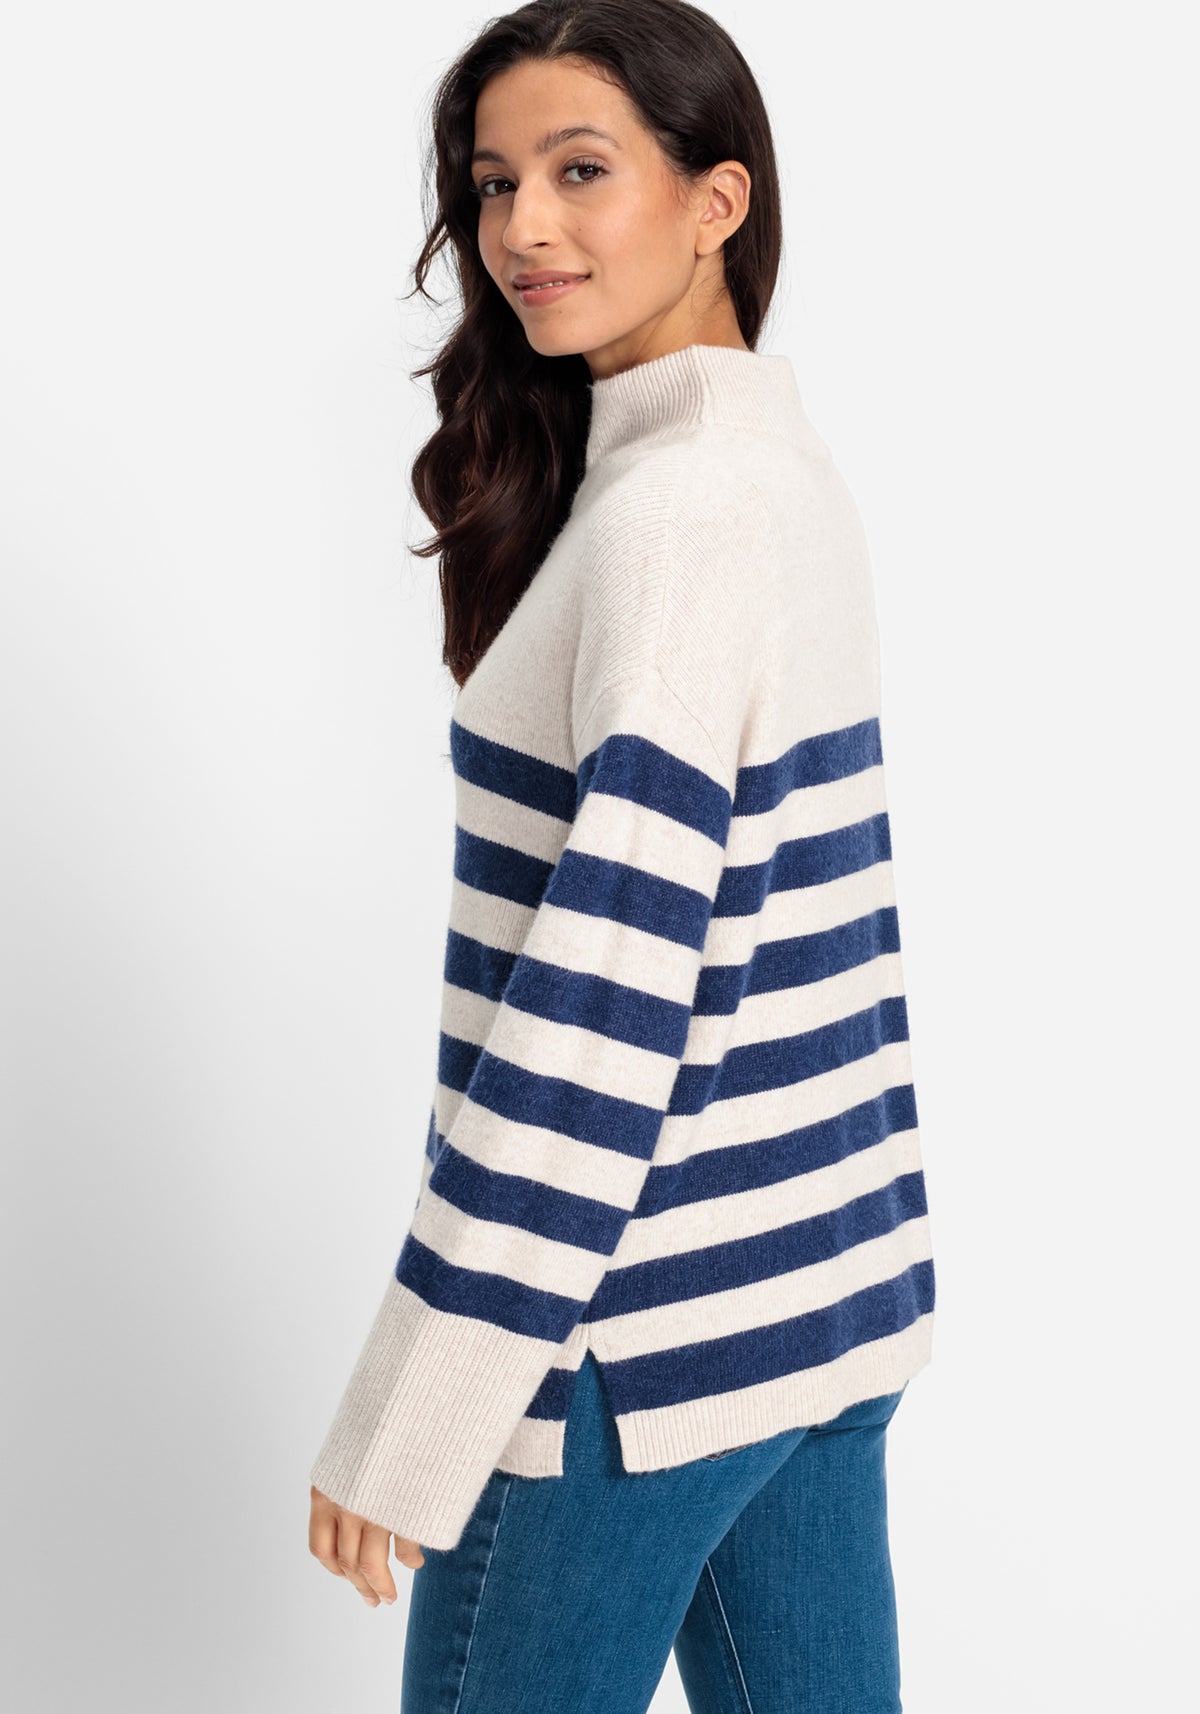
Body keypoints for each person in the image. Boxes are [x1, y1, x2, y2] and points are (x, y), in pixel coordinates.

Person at [307, 2, 937, 1708]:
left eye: (581, 171)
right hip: (815, 1294)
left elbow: (602, 1005)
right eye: (493, 180)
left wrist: (415, 1405)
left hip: (620, 1342)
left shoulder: (676, 518)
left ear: (717, 199)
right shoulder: (764, 469)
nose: (522, 226)